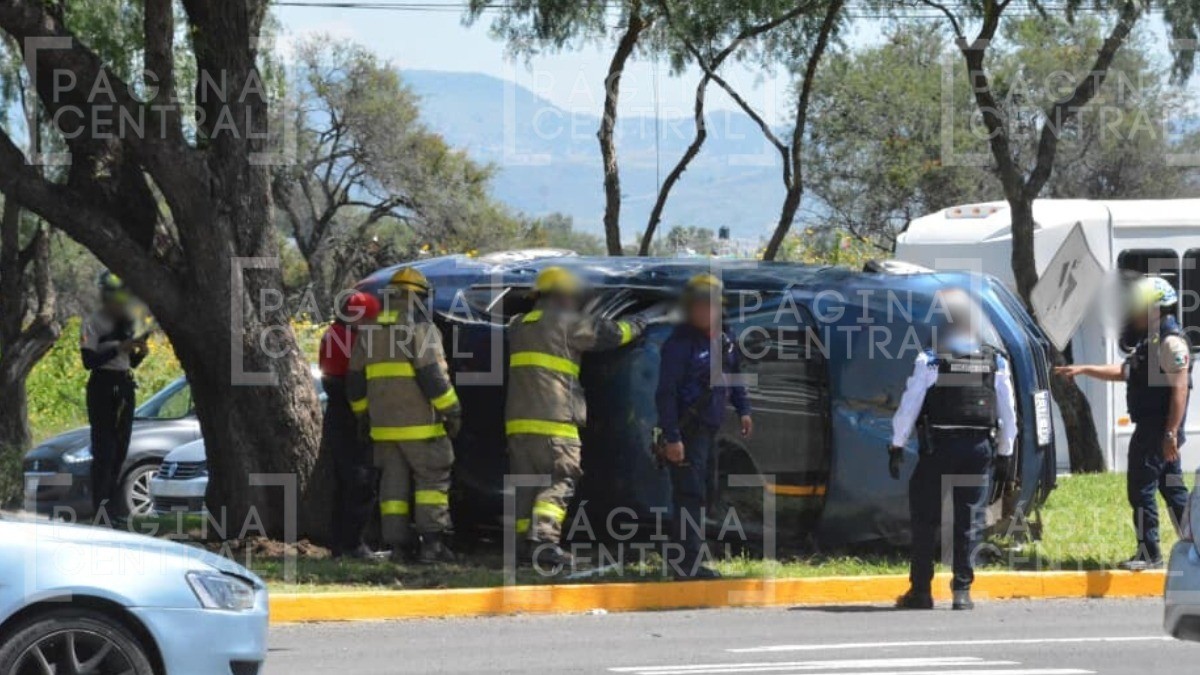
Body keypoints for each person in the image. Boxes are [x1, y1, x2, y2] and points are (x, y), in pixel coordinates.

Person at [506, 266, 645, 568]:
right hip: (556, 420)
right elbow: (611, 334)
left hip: (518, 422)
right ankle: (544, 543)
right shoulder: (567, 323)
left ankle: (519, 550)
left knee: (525, 486)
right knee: (561, 479)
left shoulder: (517, 325)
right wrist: (638, 324)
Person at [889, 289, 1018, 610]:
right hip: (978, 449)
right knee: (969, 520)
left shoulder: (930, 359)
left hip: (938, 448)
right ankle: (962, 591)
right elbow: (1008, 411)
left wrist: (897, 443)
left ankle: (920, 591)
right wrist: (1005, 452)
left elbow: (909, 405)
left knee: (925, 519)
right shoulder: (994, 360)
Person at [1056, 276, 1192, 570]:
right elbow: (1125, 371)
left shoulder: (1170, 342)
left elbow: (1180, 388)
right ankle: (1193, 547)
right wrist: (1085, 369)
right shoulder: (1152, 340)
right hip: (1157, 429)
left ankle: (1149, 553)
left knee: (1141, 489)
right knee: (1173, 489)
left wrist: (1170, 433)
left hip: (1158, 430)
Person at [346, 268, 462, 564]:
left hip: (383, 428)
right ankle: (433, 545)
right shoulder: (420, 329)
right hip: (421, 426)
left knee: (392, 488)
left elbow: (355, 381)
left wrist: (363, 416)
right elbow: (432, 377)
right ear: (420, 297)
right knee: (432, 482)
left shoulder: (368, 331)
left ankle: (397, 547)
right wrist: (452, 411)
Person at [655, 273, 753, 579]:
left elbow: (734, 376)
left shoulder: (725, 340)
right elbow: (665, 394)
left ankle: (683, 554)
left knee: (706, 493)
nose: (703, 312)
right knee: (690, 495)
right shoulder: (679, 345)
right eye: (697, 306)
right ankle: (687, 565)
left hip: (711, 430)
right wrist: (672, 437)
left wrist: (744, 409)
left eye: (708, 306)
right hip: (686, 431)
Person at [80, 271, 149, 519]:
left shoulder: (130, 322)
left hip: (124, 385)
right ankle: (101, 508)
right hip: (102, 386)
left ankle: (112, 506)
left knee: (121, 448)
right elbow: (89, 361)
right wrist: (119, 347)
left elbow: (131, 362)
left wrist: (140, 351)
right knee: (105, 449)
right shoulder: (93, 322)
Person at [320, 291, 382, 559]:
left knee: (345, 484)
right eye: (370, 319)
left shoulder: (333, 333)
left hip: (337, 415)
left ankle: (341, 545)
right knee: (361, 481)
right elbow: (355, 382)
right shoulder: (348, 340)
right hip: (349, 417)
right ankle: (353, 545)